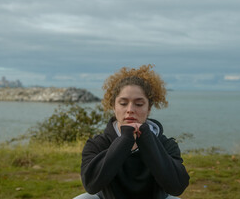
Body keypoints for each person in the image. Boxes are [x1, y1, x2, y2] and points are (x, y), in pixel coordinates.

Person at [74, 64, 190, 199]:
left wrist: (146, 139)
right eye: (123, 103)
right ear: (113, 107)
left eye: (139, 104)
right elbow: (91, 185)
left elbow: (176, 187)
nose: (130, 109)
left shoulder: (166, 144)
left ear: (149, 108)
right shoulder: (97, 144)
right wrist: (125, 140)